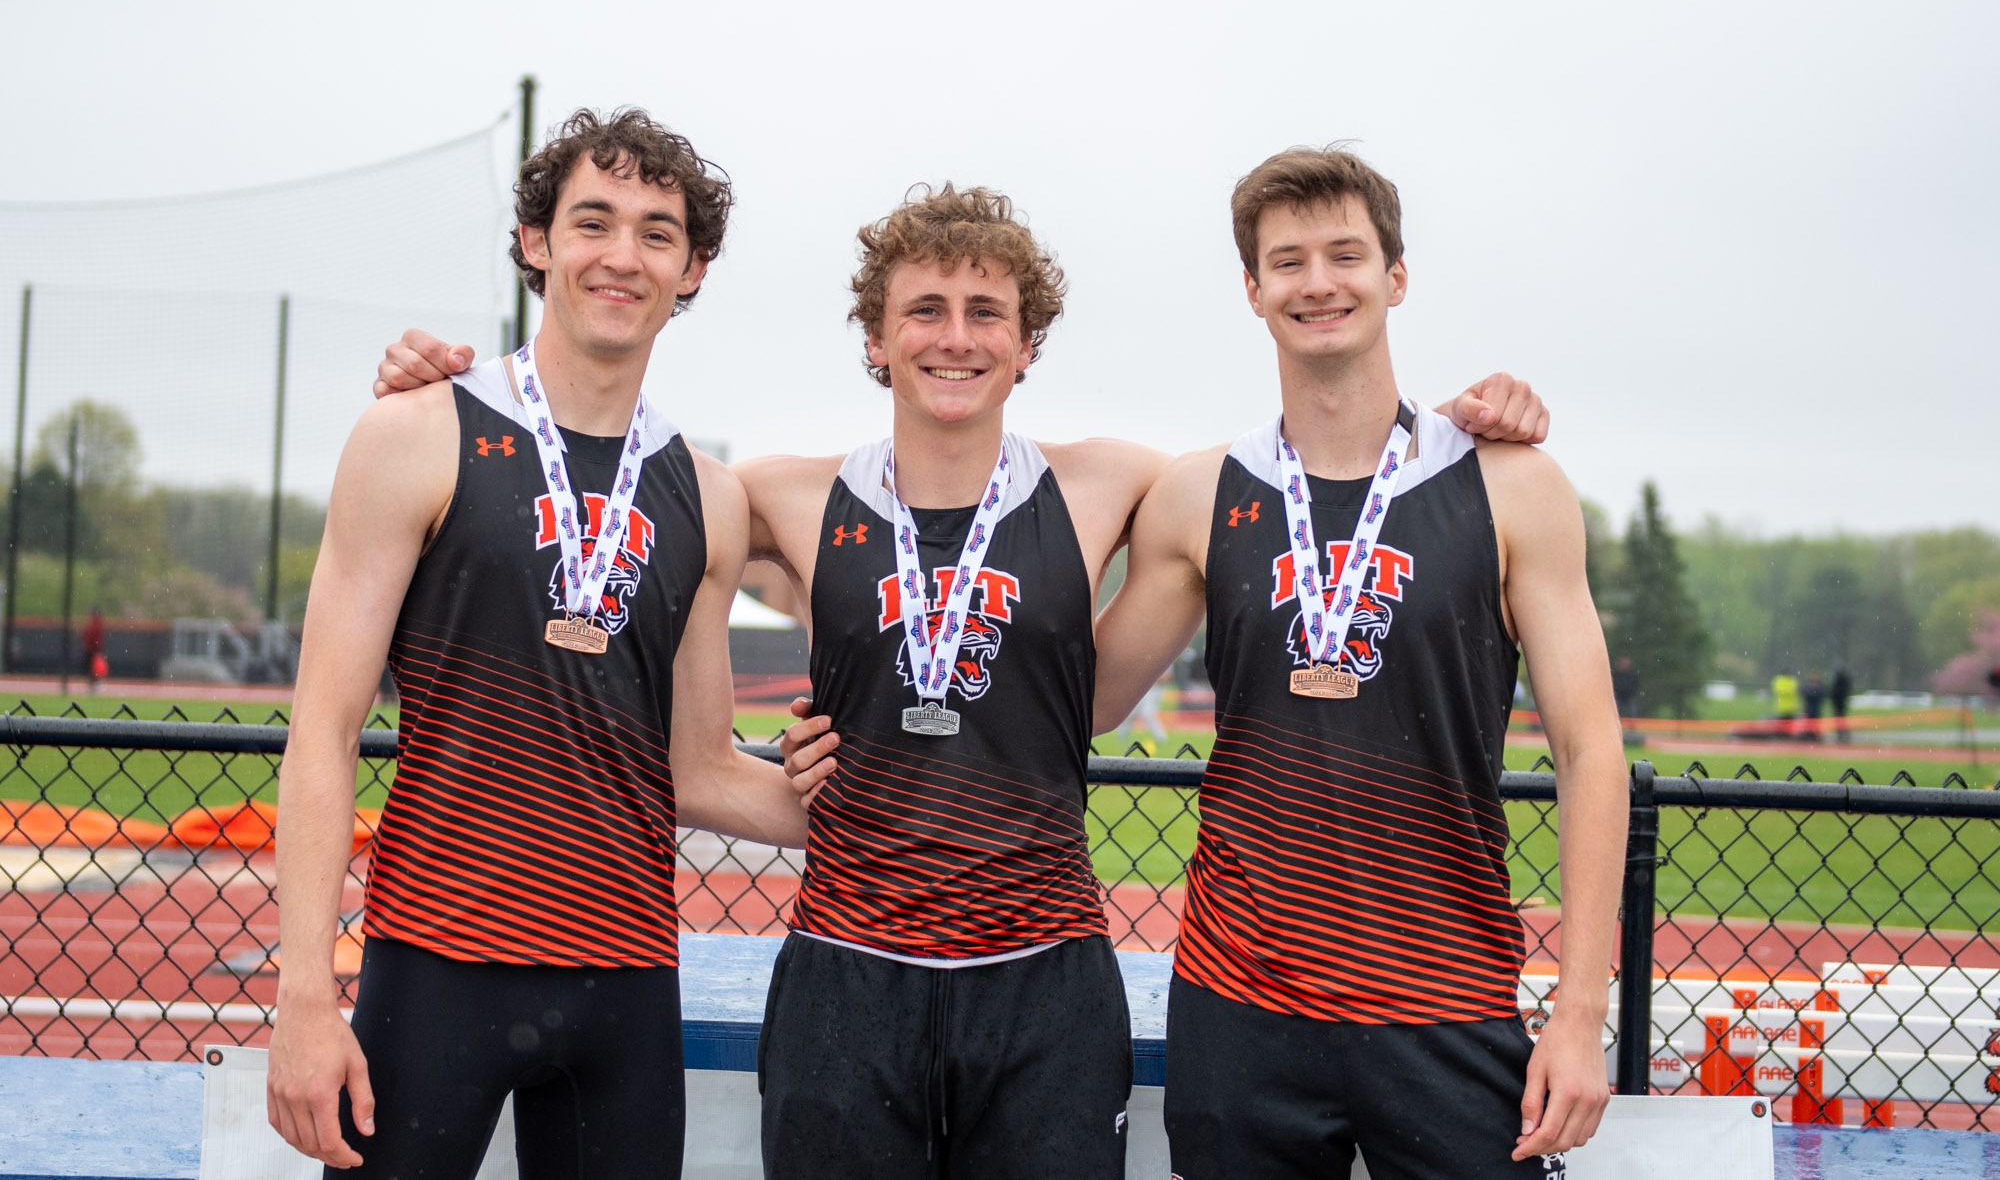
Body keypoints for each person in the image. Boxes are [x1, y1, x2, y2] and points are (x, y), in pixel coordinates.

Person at [375, 184, 1548, 1180]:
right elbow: (582, 471)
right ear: (874, 340)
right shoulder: (766, 495)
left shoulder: (1116, 485)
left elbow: (1321, 467)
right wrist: (432, 381)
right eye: (922, 310)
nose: (955, 335)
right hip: (847, 976)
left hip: (1043, 982)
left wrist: (1469, 419)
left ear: (1026, 343)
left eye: (987, 311)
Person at [270, 108, 807, 1178]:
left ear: (692, 266)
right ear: (535, 242)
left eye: (657, 233)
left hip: (625, 986)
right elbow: (323, 733)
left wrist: (885, 799)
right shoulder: (415, 434)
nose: (622, 255)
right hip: (434, 968)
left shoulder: (705, 494)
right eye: (592, 221)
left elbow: (698, 768)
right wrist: (302, 998)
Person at [1093, 145, 1624, 1178]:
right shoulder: (1200, 492)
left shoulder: (1510, 484)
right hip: (1238, 1001)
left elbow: (1587, 747)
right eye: (1286, 261)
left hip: (1444, 997)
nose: (1317, 281)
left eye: (1345, 253)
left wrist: (1578, 1008)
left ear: (1395, 276)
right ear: (1251, 290)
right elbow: (1085, 699)